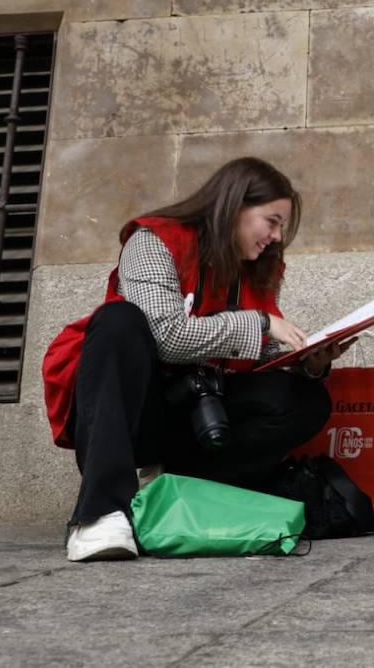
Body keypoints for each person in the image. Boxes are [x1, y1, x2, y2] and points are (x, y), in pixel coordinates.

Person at [42, 157, 350, 562]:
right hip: (134, 410)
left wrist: (311, 362)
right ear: (235, 207)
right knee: (119, 321)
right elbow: (166, 336)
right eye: (271, 222)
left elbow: (253, 354)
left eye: (281, 228)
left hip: (195, 415)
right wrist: (259, 322)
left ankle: (187, 492)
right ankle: (101, 513)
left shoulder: (257, 269)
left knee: (306, 400)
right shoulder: (154, 241)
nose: (277, 237)